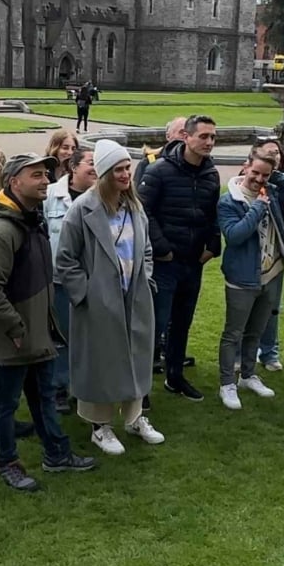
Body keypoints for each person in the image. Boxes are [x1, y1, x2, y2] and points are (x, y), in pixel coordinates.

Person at [0, 153, 97, 491]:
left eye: (46, 174)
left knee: (43, 398)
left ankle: (56, 454)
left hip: (36, 335)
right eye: (36, 175)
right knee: (5, 406)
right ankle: (8, 462)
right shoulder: (1, 231)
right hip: (12, 339)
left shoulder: (30, 220)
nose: (45, 180)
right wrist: (15, 327)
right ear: (14, 183)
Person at [56, 140, 166, 456]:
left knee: (137, 357)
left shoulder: (134, 206)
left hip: (134, 297)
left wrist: (144, 277)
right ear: (104, 173)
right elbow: (65, 260)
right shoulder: (82, 210)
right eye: (118, 169)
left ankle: (135, 418)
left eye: (127, 168)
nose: (125, 175)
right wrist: (87, 294)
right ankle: (99, 427)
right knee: (99, 363)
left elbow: (145, 248)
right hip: (98, 303)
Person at [138, 114, 221, 403]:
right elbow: (144, 213)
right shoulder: (159, 171)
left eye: (212, 137)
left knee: (182, 323)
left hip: (194, 262)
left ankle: (175, 377)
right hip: (166, 263)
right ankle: (141, 387)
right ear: (186, 137)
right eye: (203, 136)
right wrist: (163, 249)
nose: (209, 142)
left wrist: (213, 244)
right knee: (156, 325)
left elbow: (213, 214)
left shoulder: (211, 174)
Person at [217, 152, 284, 409]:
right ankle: (227, 383)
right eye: (255, 173)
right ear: (245, 168)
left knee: (257, 331)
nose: (259, 179)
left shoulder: (271, 191)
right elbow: (235, 235)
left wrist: (277, 173)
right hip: (242, 277)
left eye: (265, 174)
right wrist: (258, 207)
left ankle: (249, 375)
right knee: (234, 333)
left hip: (271, 273)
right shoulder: (229, 201)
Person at [44, 143, 98, 412]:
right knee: (61, 337)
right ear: (74, 166)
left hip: (94, 282)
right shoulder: (51, 195)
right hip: (58, 281)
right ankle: (58, 388)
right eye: (91, 162)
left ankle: (84, 387)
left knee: (89, 338)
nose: (96, 169)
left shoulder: (104, 197)